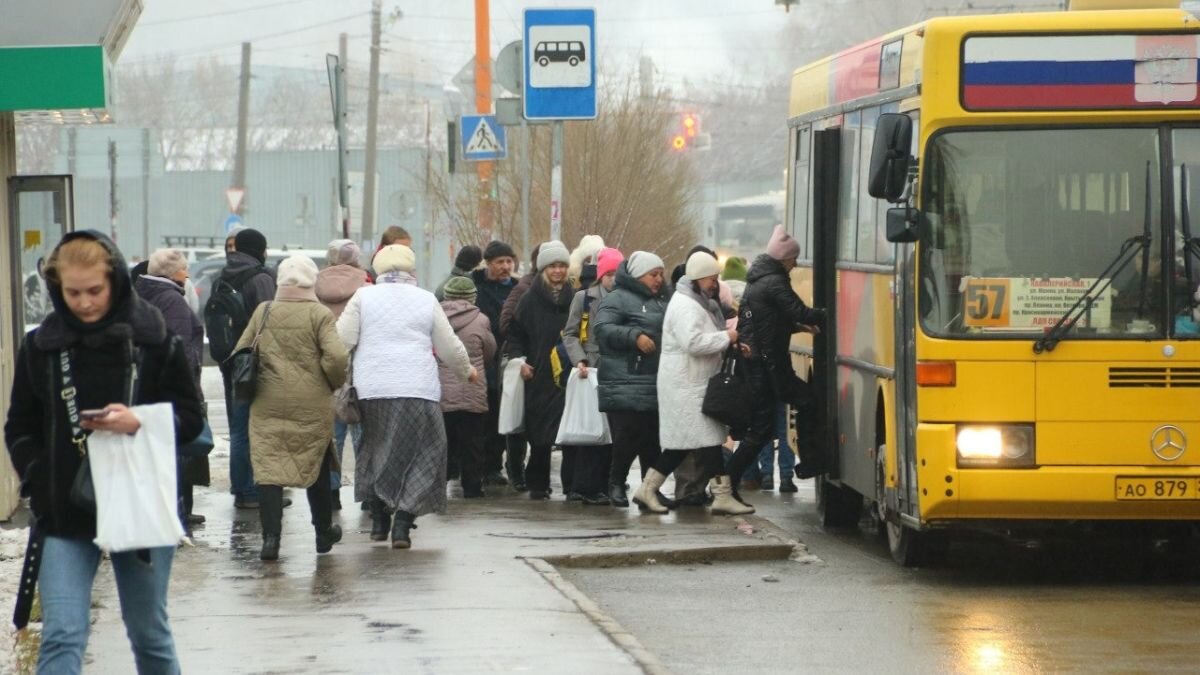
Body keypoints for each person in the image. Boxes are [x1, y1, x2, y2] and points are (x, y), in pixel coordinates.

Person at [5, 231, 203, 674]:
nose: (85, 302)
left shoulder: (153, 339)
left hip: (139, 502)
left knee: (148, 633)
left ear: (115, 282)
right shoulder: (42, 346)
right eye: (71, 292)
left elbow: (192, 421)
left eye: (94, 290)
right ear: (57, 288)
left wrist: (140, 421)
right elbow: (19, 426)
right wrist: (40, 477)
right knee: (62, 633)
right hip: (66, 511)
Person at [337, 244, 475, 548]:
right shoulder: (426, 299)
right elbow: (448, 344)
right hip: (418, 390)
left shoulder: (363, 296)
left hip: (372, 390)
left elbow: (341, 340)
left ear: (379, 269)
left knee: (376, 449)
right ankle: (403, 520)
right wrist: (467, 371)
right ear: (412, 270)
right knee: (427, 450)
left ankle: (379, 518)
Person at [236, 255, 348, 561]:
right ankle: (323, 534)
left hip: (268, 400)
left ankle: (271, 541)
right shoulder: (319, 314)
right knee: (317, 466)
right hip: (311, 403)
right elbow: (337, 357)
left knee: (269, 469)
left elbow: (242, 349)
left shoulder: (264, 311)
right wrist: (331, 381)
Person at [641, 251, 751, 515]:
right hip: (686, 385)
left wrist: (731, 343)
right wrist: (728, 336)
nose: (715, 284)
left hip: (692, 383)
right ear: (699, 278)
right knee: (695, 441)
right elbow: (694, 342)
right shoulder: (686, 305)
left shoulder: (694, 301)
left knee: (702, 440)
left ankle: (651, 489)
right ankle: (650, 490)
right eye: (711, 279)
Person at [732, 225, 826, 504]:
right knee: (764, 428)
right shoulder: (774, 281)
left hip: (766, 367)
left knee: (765, 428)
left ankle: (727, 484)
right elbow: (797, 310)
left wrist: (800, 327)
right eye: (794, 259)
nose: (796, 264)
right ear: (784, 258)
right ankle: (726, 484)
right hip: (768, 369)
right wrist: (827, 312)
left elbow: (774, 321)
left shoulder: (760, 280)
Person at [135, 248, 209, 531]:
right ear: (171, 273)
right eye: (183, 269)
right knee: (175, 455)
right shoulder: (172, 301)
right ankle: (176, 518)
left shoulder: (143, 292)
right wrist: (190, 390)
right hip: (171, 391)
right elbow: (182, 350)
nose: (188, 274)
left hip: (147, 386)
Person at [591, 251, 670, 508]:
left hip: (654, 380)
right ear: (638, 275)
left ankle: (650, 490)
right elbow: (602, 329)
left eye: (661, 274)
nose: (659, 279)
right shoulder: (618, 298)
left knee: (652, 441)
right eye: (653, 275)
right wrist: (634, 336)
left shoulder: (663, 300)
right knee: (626, 438)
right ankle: (616, 483)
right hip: (624, 380)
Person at [504, 241, 573, 500]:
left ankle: (571, 485)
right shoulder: (529, 300)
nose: (558, 271)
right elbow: (515, 335)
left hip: (566, 373)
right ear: (544, 269)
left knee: (569, 433)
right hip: (538, 373)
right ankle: (538, 484)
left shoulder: (573, 297)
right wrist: (519, 361)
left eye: (562, 266)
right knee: (540, 435)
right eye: (553, 266)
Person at [217, 228, 277, 509]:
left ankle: (240, 488)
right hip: (255, 360)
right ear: (259, 249)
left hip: (232, 359)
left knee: (239, 428)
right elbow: (269, 322)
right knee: (257, 428)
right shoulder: (260, 278)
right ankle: (254, 491)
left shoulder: (224, 275)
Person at [562, 247, 623, 504]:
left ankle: (605, 484)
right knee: (588, 431)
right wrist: (580, 360)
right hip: (591, 372)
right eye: (610, 273)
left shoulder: (624, 299)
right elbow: (570, 333)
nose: (615, 278)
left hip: (616, 373)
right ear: (602, 274)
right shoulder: (583, 298)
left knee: (611, 433)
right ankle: (584, 486)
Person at [315, 238, 371, 510]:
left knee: (332, 435)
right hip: (362, 367)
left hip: (326, 368)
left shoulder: (314, 286)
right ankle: (368, 494)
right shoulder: (368, 287)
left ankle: (331, 492)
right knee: (364, 435)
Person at [438, 276, 497, 497]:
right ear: (472, 297)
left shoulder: (436, 317)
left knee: (443, 442)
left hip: (442, 391)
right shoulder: (481, 319)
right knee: (473, 443)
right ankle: (472, 487)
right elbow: (490, 350)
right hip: (473, 388)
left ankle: (438, 486)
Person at [471, 240, 521, 488]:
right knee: (485, 419)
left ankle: (499, 466)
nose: (505, 266)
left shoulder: (518, 288)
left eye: (509, 261)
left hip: (510, 358)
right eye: (500, 262)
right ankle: (484, 467)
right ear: (488, 264)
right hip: (485, 362)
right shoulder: (477, 288)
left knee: (506, 415)